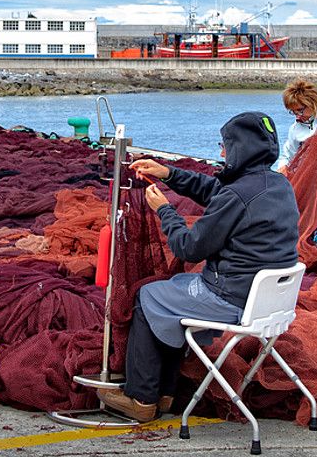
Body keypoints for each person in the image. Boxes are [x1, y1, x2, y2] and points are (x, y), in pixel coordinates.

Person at [97, 111, 300, 422]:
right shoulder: (277, 184)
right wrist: (169, 174)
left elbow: (189, 247)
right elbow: (214, 191)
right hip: (269, 301)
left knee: (146, 295)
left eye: (226, 145)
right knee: (173, 290)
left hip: (231, 298)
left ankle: (141, 397)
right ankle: (165, 393)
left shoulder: (236, 194)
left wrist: (165, 211)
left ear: (241, 148)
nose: (221, 152)